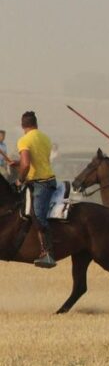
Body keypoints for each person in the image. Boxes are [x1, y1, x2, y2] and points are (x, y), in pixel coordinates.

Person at [9, 112, 58, 268]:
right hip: (45, 179)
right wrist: (19, 162)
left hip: (41, 184)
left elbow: (27, 165)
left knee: (38, 216)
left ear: (23, 126)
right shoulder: (45, 138)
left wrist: (19, 180)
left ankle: (48, 254)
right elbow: (38, 160)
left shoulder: (24, 140)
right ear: (36, 124)